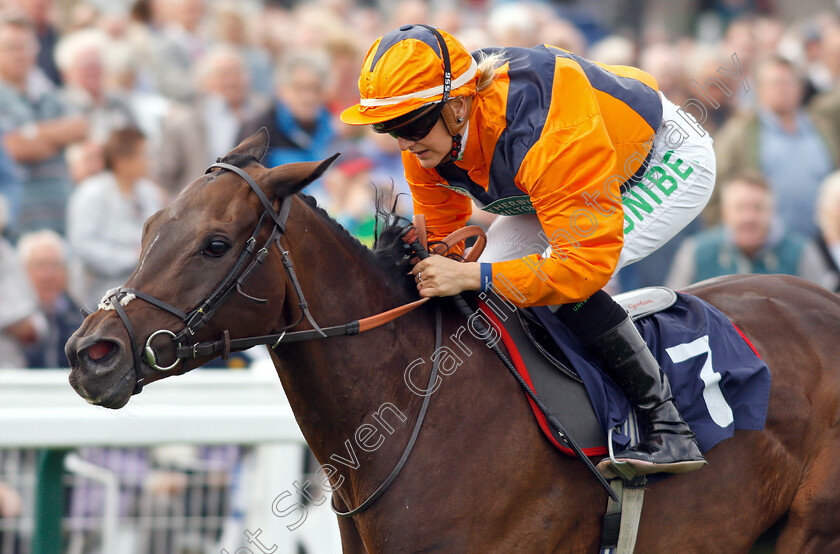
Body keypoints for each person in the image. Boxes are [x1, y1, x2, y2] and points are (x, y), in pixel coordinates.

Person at [340, 25, 717, 475]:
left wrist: (472, 276)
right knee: (495, 280)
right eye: (388, 128)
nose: (402, 142)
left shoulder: (544, 132)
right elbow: (442, 239)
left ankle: (668, 426)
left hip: (659, 159)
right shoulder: (426, 130)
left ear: (458, 105)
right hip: (564, 178)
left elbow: (581, 265)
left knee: (549, 285)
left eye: (410, 126)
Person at [712, 55, 838, 235]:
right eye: (776, 83)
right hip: (764, 245)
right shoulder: (739, 133)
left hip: (822, 241)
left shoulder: (821, 128)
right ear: (759, 89)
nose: (783, 89)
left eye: (789, 82)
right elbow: (716, 188)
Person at [0, 14, 88, 236]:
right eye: (10, 47)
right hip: (16, 224)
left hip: (61, 214)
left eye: (25, 46)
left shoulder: (48, 92)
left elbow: (80, 127)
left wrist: (30, 133)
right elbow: (13, 148)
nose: (19, 54)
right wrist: (57, 138)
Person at [666, 174, 826, 289]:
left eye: (758, 208)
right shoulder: (696, 251)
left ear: (772, 211)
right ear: (725, 213)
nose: (749, 217)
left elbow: (822, 311)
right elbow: (673, 310)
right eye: (740, 208)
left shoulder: (801, 252)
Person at [67, 127, 163, 310]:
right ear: (121, 161)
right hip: (96, 298)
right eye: (143, 155)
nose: (149, 161)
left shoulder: (149, 193)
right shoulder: (91, 192)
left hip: (141, 293)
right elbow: (83, 245)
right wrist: (132, 258)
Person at [18, 229, 84, 368]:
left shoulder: (81, 319)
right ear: (23, 271)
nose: (48, 275)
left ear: (66, 272)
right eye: (40, 265)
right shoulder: (12, 321)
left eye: (55, 265)